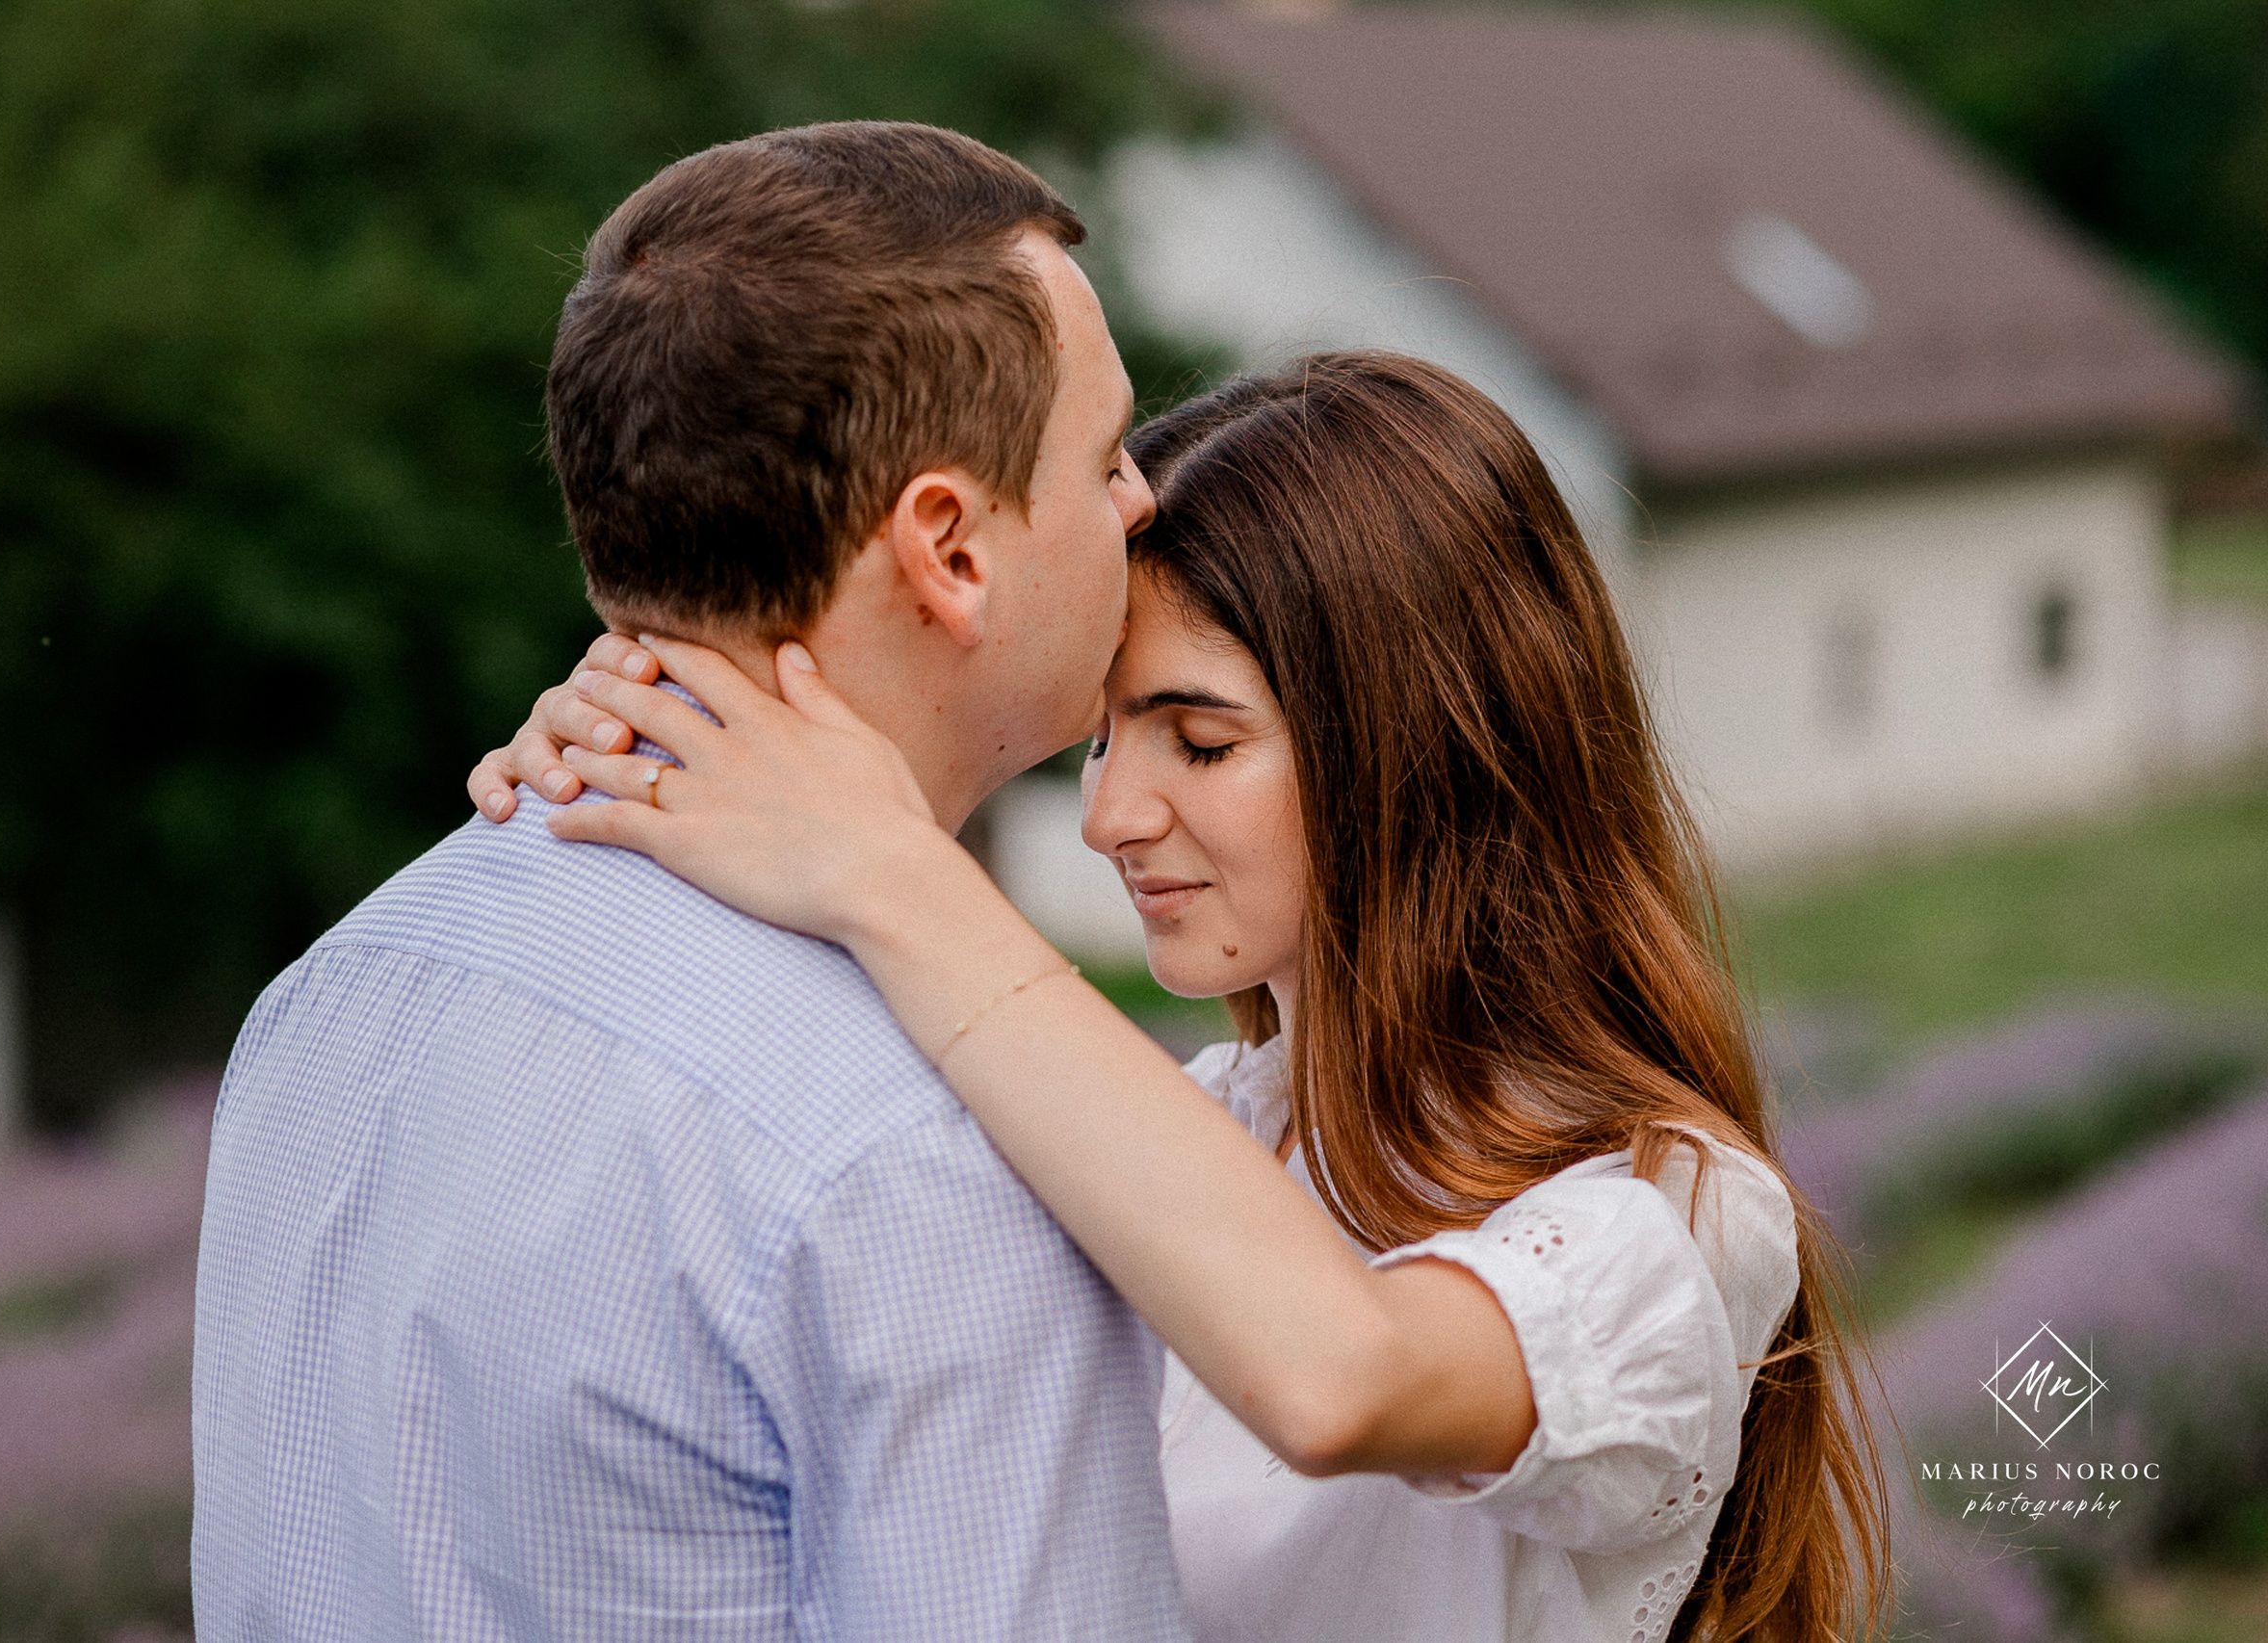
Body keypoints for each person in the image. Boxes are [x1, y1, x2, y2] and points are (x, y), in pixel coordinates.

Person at [471, 352, 1890, 1641]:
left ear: (1428, 749)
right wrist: (655, 733)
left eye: (1199, 743)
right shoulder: (1192, 1121)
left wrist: (894, 870)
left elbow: (1341, 1379)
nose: (1109, 815)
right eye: (1102, 737)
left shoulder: (1668, 1210)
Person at [191, 123, 1194, 1640]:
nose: (1140, 503)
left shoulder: (330, 991)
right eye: (1109, 451)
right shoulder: (939, 1145)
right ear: (950, 548)